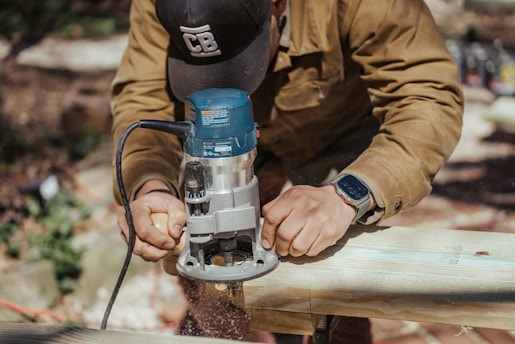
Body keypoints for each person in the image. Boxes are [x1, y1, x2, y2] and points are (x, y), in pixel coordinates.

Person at [111, 0, 464, 343]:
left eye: (236, 57)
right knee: (202, 267)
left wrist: (348, 195)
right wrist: (151, 187)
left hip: (335, 132)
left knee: (330, 282)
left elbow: (426, 96)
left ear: (276, 6)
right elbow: (141, 98)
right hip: (226, 143)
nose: (222, 80)